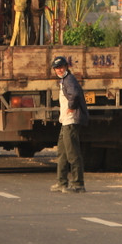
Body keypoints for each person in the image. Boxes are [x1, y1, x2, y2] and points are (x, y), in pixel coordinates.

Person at [50, 55, 88, 193]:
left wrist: (71, 107)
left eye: (61, 67)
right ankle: (61, 182)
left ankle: (78, 183)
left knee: (72, 152)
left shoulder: (69, 79)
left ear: (66, 67)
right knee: (62, 153)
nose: (59, 70)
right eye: (56, 68)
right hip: (65, 121)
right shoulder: (64, 80)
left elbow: (75, 94)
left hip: (71, 120)